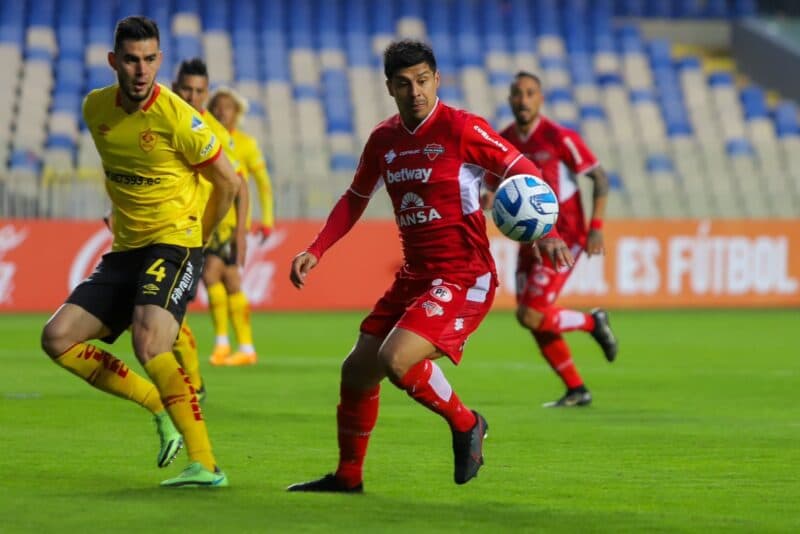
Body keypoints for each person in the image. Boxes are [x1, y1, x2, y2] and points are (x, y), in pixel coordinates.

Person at [287, 40, 574, 493]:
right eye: (404, 84)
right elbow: (355, 198)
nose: (415, 92)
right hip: (415, 276)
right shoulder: (384, 140)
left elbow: (523, 171)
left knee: (395, 360)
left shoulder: (463, 129)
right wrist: (315, 249)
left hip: (464, 275)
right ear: (390, 88)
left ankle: (467, 423)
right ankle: (348, 476)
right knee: (357, 371)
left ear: (436, 80)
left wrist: (547, 231)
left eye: (422, 81)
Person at [40, 16, 238, 487]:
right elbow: (121, 171)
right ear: (114, 61)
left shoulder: (177, 117)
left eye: (150, 59)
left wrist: (200, 238)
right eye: (131, 59)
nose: (141, 69)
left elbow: (229, 181)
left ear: (159, 61)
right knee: (57, 338)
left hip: (174, 242)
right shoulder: (95, 110)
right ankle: (156, 404)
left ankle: (206, 464)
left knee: (149, 340)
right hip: (127, 248)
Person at [496, 71, 619, 407]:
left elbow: (601, 178)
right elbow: (495, 186)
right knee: (534, 318)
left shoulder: (559, 137)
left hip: (565, 237)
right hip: (527, 241)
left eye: (530, 93)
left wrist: (596, 227)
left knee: (531, 314)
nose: (523, 100)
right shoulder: (503, 140)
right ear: (510, 99)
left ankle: (593, 322)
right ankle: (577, 389)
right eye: (517, 93)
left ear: (541, 99)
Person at [171, 58, 252, 369]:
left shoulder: (217, 132)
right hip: (172, 222)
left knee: (194, 289)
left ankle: (215, 353)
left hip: (209, 226)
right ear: (176, 88)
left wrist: (241, 231)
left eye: (199, 92)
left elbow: (240, 184)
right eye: (186, 90)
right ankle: (232, 346)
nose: (192, 98)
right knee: (216, 283)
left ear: (205, 94)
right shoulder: (163, 114)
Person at [206, 86, 276, 366]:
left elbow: (263, 183)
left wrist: (267, 220)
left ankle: (226, 343)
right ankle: (243, 346)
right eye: (217, 106)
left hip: (233, 223)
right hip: (211, 218)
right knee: (227, 279)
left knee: (213, 274)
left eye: (227, 107)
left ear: (237, 112)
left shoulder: (245, 144)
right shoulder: (208, 138)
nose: (221, 111)